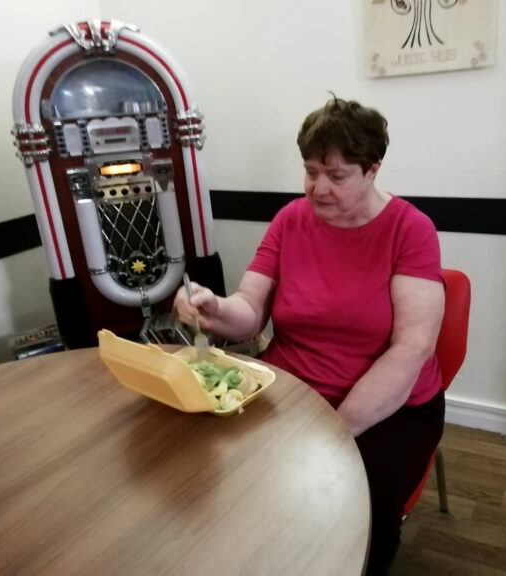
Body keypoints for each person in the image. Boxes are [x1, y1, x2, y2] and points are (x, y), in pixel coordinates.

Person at [174, 95, 446, 575]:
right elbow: (249, 313)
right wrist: (214, 308)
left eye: (336, 176)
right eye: (310, 172)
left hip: (386, 409)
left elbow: (411, 349)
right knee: (220, 475)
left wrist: (332, 431)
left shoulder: (410, 229)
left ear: (373, 170)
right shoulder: (290, 220)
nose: (318, 189)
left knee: (357, 510)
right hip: (292, 390)